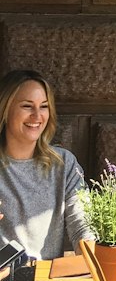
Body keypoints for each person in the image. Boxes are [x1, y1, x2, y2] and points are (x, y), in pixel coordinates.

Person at [0, 68, 93, 259]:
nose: (37, 116)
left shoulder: (64, 163)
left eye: (43, 106)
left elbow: (82, 225)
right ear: (5, 109)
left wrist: (92, 264)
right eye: (27, 106)